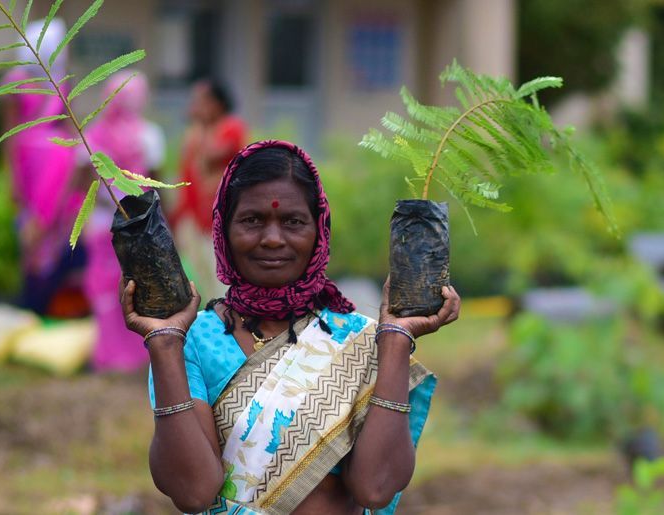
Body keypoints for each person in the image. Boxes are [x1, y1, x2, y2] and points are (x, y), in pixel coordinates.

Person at [122, 140, 461, 514]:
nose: (272, 238)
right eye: (252, 220)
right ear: (223, 229)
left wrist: (397, 340)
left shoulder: (362, 341)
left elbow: (375, 488)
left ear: (319, 230)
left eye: (293, 222)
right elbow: (193, 492)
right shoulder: (192, 342)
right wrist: (164, 345)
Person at [80, 70, 166, 372]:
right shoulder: (149, 135)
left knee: (106, 290)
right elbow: (157, 183)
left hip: (103, 223)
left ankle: (107, 356)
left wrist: (109, 197)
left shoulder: (91, 136)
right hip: (138, 226)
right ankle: (135, 356)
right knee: (134, 287)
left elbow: (82, 179)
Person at [2, 19, 85, 315]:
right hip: (30, 162)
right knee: (31, 228)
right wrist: (12, 178)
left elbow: (72, 123)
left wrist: (83, 157)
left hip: (57, 163)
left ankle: (51, 299)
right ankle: (32, 300)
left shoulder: (60, 80)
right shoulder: (16, 79)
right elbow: (10, 132)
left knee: (53, 225)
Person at [171, 79, 248, 301]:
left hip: (219, 216)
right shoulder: (195, 133)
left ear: (217, 103)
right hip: (192, 215)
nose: (195, 106)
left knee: (220, 277)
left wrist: (201, 128)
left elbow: (210, 158)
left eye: (202, 101)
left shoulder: (231, 127)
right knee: (198, 276)